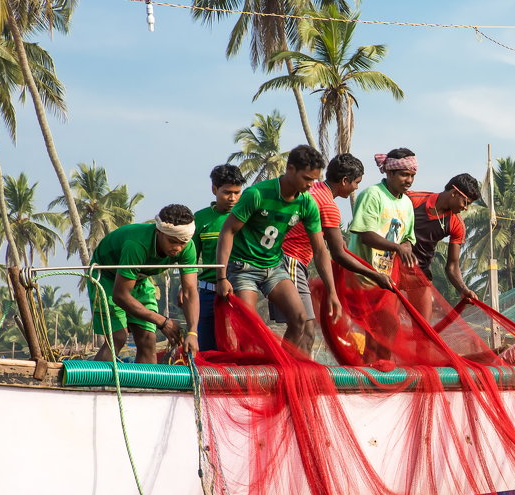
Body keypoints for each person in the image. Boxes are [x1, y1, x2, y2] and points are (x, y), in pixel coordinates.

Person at [215, 144, 342, 349]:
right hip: (244, 267)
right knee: (250, 328)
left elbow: (320, 250)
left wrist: (332, 293)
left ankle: (280, 368)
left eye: (314, 180)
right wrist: (221, 277)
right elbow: (227, 232)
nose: (310, 185)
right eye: (307, 179)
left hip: (274, 267)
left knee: (300, 318)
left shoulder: (307, 203)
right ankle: (252, 377)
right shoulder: (257, 194)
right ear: (290, 169)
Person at [273, 153, 393, 332]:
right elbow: (339, 254)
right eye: (356, 182)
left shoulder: (315, 190)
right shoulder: (328, 205)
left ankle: (290, 361)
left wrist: (332, 237)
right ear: (345, 181)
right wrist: (375, 275)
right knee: (303, 328)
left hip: (282, 259)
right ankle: (287, 361)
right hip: (290, 261)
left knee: (304, 329)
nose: (356, 188)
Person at [89, 204, 200, 363]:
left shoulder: (187, 247)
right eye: (172, 241)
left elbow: (189, 291)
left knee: (148, 340)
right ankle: (94, 383)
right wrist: (163, 321)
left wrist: (193, 333)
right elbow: (120, 295)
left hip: (139, 279)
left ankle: (144, 388)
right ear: (159, 231)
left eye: (182, 243)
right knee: (117, 338)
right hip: (106, 277)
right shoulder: (136, 245)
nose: (177, 248)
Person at [191, 164, 245, 351]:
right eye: (227, 192)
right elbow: (190, 259)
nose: (232, 198)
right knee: (207, 350)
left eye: (237, 193)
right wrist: (185, 286)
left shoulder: (247, 217)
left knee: (239, 349)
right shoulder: (200, 219)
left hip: (240, 292)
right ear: (214, 189)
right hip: (207, 294)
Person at [406, 173, 481, 303]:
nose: (466, 208)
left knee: (423, 322)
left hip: (420, 275)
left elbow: (452, 266)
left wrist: (463, 290)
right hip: (393, 268)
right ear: (454, 193)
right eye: (465, 202)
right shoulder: (412, 199)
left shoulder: (456, 224)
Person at [349, 148, 418, 277]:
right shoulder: (372, 195)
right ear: (390, 173)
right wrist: (397, 248)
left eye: (412, 175)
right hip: (360, 277)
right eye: (404, 174)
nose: (409, 180)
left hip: (385, 278)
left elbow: (408, 238)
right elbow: (366, 236)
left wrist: (406, 247)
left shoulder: (407, 203)